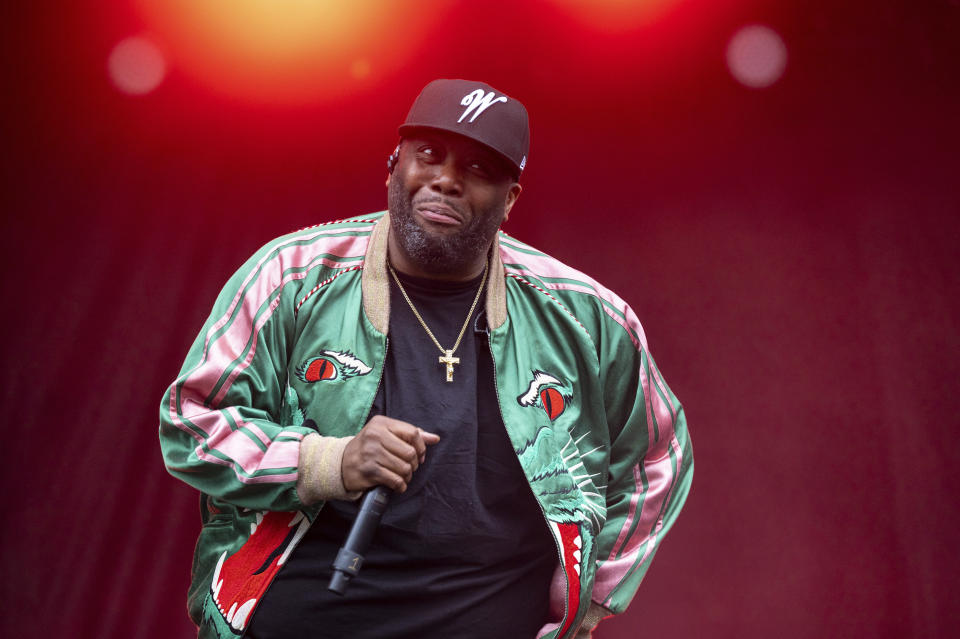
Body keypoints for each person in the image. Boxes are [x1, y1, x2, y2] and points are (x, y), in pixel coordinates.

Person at [159, 78, 692, 639]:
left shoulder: (587, 317)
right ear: (393, 166)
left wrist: (586, 603)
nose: (446, 180)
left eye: (480, 169)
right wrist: (327, 462)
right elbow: (191, 422)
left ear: (510, 198)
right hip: (300, 616)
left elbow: (659, 456)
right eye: (429, 155)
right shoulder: (290, 277)